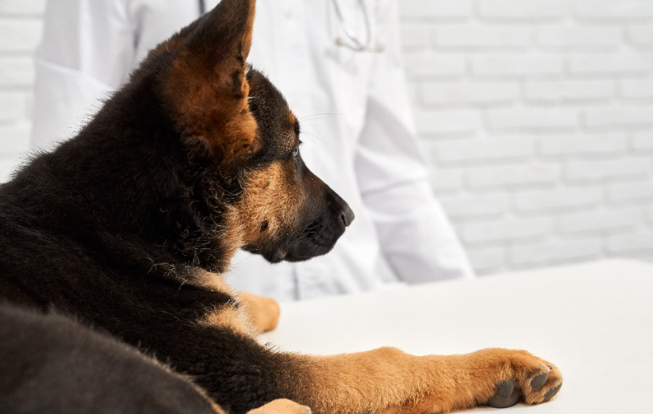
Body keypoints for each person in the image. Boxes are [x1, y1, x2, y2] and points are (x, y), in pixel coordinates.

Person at [31, 0, 474, 302]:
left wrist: (468, 300)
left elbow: (394, 178)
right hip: (199, 313)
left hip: (351, 301)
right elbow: (77, 184)